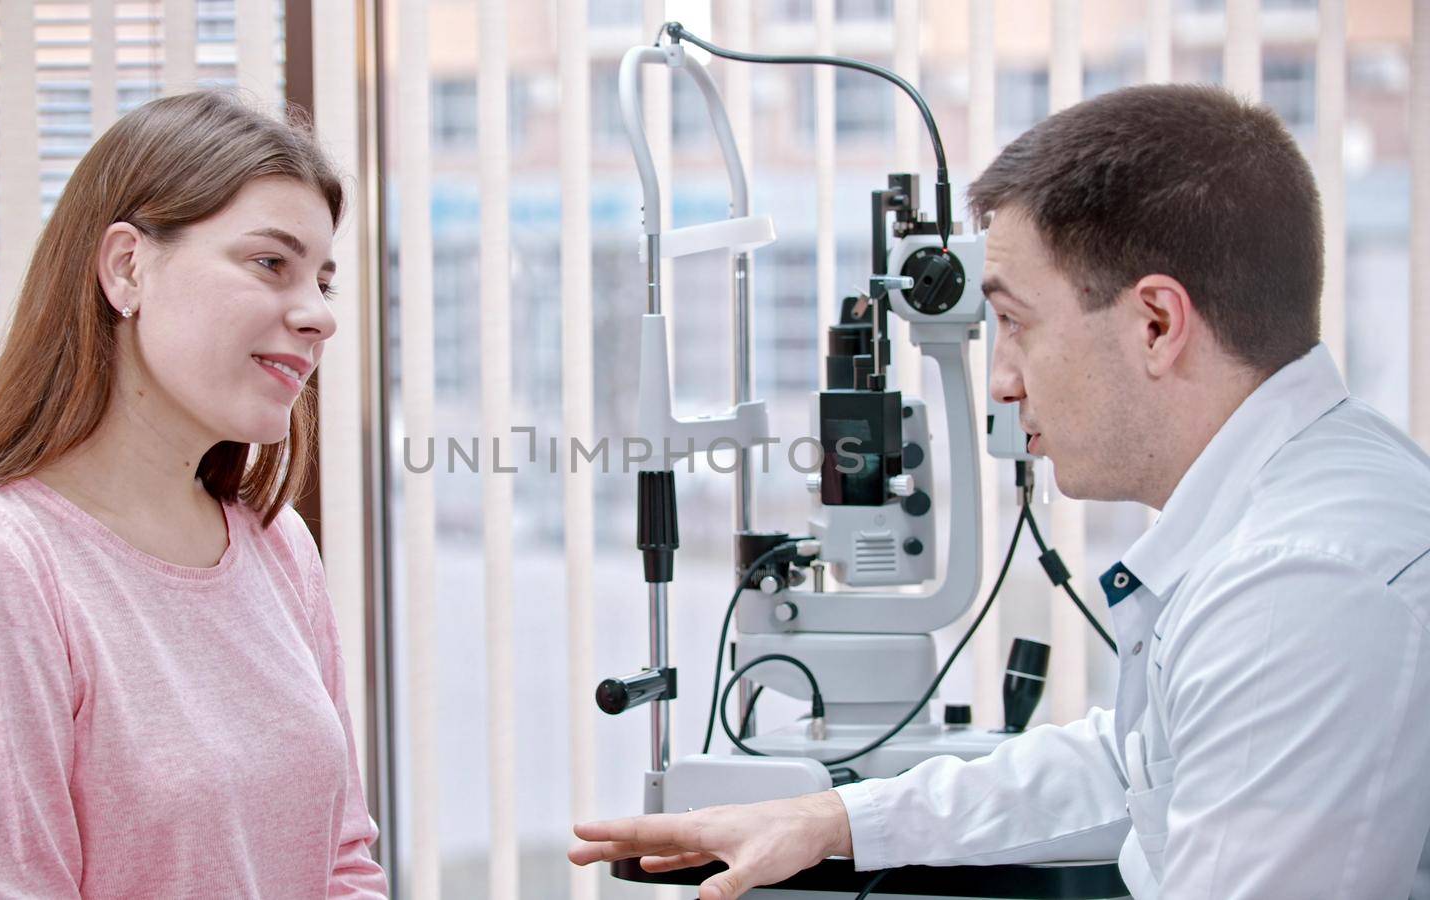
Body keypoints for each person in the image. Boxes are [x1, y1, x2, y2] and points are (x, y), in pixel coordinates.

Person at [570, 83, 1430, 899]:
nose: (1002, 382)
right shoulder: (1301, 507)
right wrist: (830, 817)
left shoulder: (1300, 591)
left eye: (1014, 324)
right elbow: (1136, 766)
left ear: (1157, 325)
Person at [0, 91, 389, 898]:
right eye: (269, 263)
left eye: (322, 280)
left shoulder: (278, 545)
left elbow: (341, 861)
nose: (318, 315)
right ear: (127, 267)